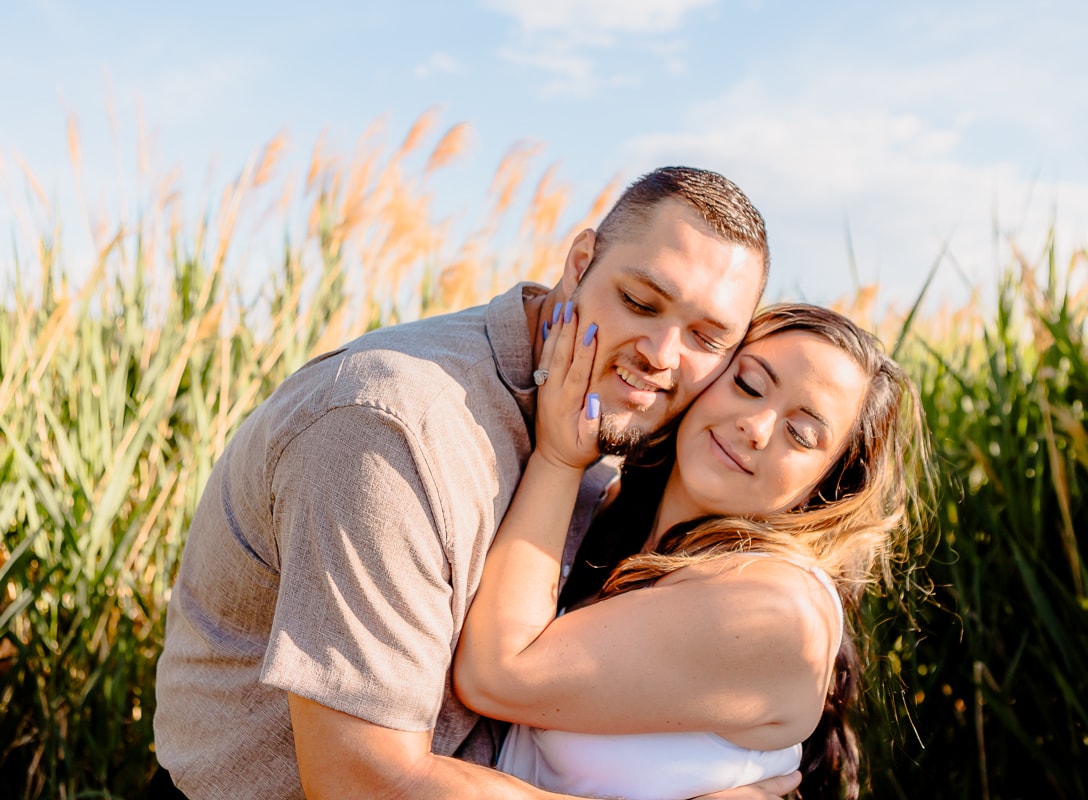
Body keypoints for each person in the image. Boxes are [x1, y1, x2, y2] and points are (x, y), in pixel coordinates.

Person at [151, 166, 803, 799]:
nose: (661, 355)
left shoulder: (609, 427)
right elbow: (364, 781)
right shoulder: (395, 430)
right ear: (580, 264)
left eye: (707, 338)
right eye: (639, 302)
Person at [454, 302, 934, 800]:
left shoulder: (780, 609)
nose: (757, 427)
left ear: (827, 487)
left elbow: (497, 673)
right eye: (748, 384)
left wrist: (558, 457)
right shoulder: (606, 510)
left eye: (801, 434)